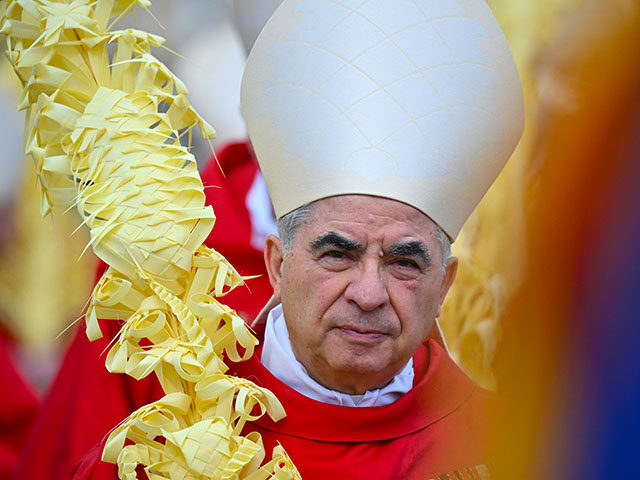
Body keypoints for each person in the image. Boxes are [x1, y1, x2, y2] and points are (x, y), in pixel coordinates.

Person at [73, 0, 524, 478]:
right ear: (277, 265)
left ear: (446, 284)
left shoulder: (507, 449)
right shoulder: (170, 451)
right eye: (337, 255)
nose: (369, 295)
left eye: (404, 263)